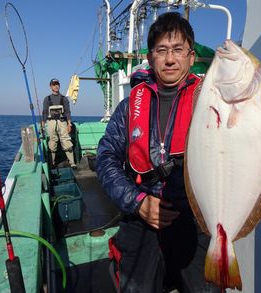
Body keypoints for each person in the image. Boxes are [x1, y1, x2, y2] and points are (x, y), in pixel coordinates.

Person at [97, 12, 220, 293]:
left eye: (178, 50)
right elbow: (105, 160)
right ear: (151, 58)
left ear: (191, 56)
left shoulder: (214, 103)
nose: (170, 58)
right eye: (161, 50)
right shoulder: (129, 107)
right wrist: (137, 201)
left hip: (196, 222)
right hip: (140, 221)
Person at [42, 78, 76, 169]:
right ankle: (52, 162)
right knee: (52, 142)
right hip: (51, 123)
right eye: (54, 84)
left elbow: (68, 112)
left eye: (57, 84)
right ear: (50, 86)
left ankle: (72, 162)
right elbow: (45, 112)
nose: (56, 86)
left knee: (66, 141)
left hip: (62, 122)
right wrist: (43, 124)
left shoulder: (64, 99)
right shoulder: (47, 99)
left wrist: (69, 124)